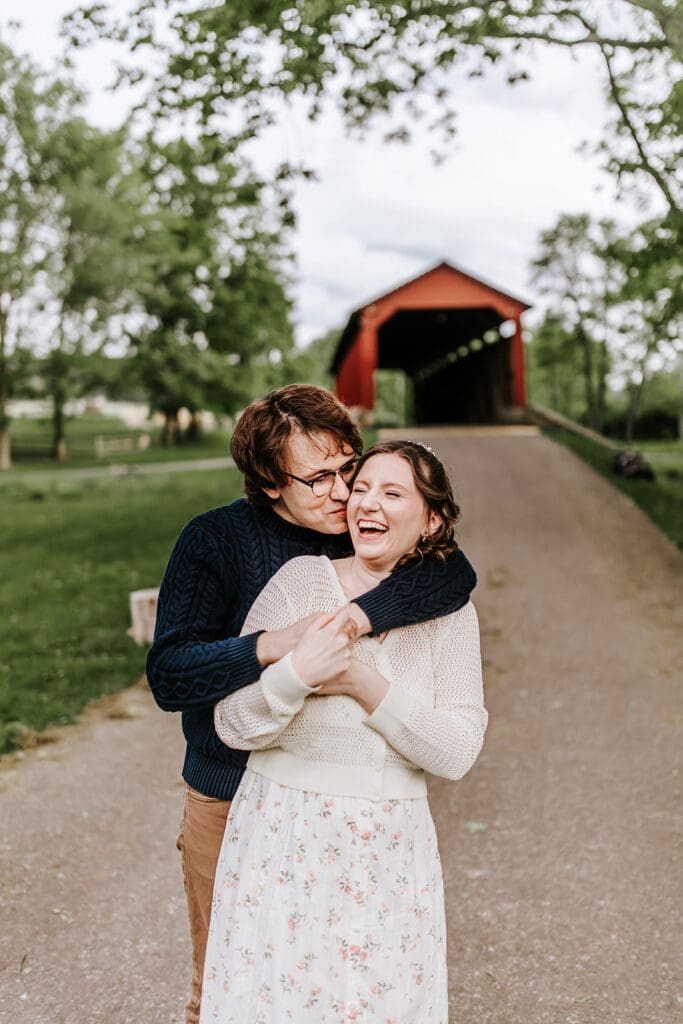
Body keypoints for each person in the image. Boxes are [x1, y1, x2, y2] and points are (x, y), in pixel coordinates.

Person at [146, 387, 477, 1024]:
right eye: (319, 478)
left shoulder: (357, 531)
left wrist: (355, 618)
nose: (344, 491)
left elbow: (453, 576)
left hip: (345, 808)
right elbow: (170, 675)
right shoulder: (215, 540)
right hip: (229, 789)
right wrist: (276, 646)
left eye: (348, 467)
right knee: (227, 984)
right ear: (270, 483)